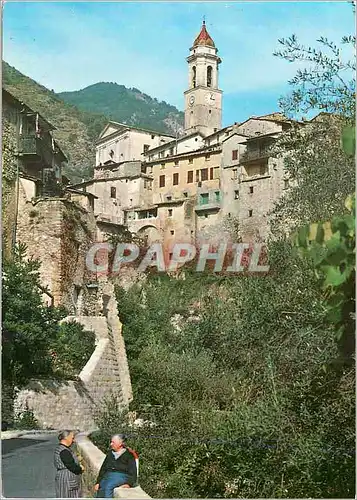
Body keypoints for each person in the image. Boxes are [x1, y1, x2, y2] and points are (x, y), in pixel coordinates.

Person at [54, 430, 83, 498]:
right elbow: (71, 466)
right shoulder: (64, 451)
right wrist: (80, 468)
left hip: (64, 478)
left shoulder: (60, 449)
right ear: (66, 438)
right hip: (67, 479)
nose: (73, 440)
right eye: (72, 438)